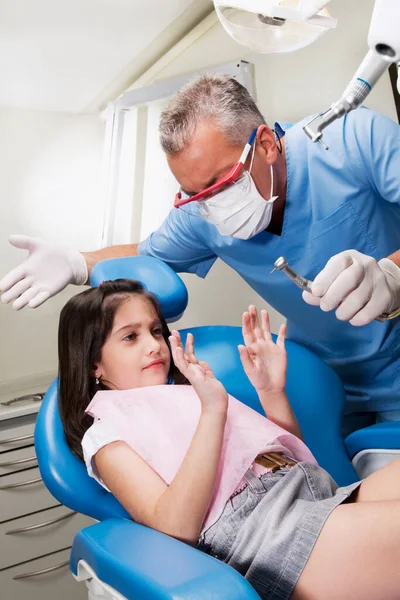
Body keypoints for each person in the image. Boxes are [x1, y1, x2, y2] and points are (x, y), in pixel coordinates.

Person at [2, 74, 400, 432]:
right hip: (326, 382)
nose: (212, 208)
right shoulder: (201, 216)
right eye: (195, 195)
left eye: (221, 185)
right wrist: (76, 262)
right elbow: (146, 254)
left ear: (264, 145)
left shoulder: (350, 139)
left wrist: (392, 274)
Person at [58, 278, 400, 600]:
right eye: (130, 337)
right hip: (268, 540)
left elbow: (290, 459)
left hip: (313, 497)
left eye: (156, 331)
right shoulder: (106, 434)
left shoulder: (189, 392)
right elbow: (175, 528)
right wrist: (212, 411)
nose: (154, 345)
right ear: (94, 365)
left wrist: (271, 390)